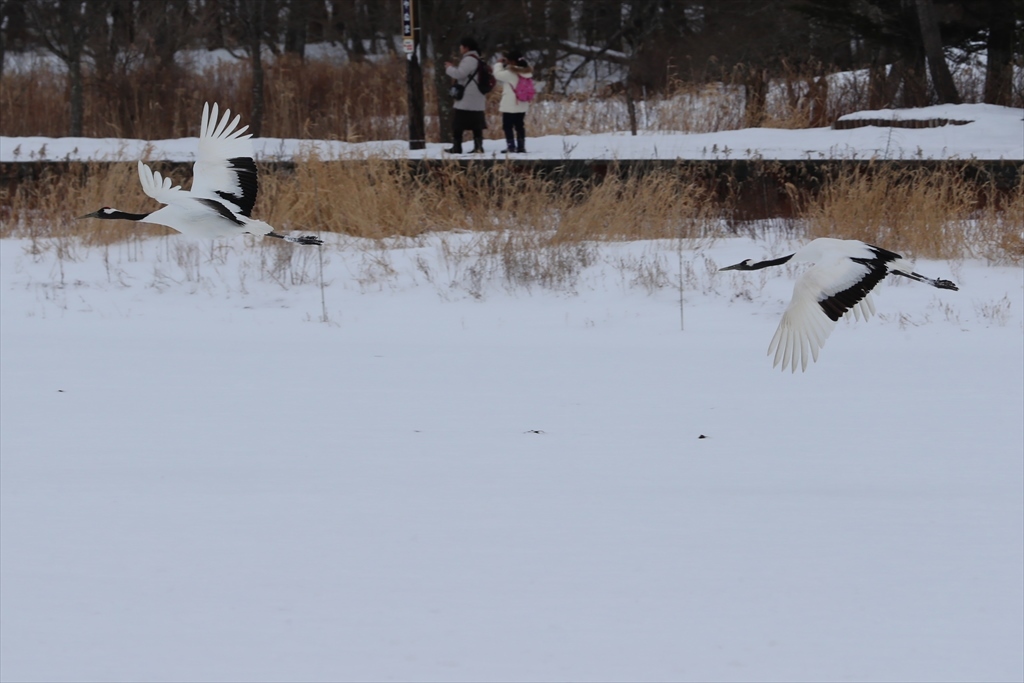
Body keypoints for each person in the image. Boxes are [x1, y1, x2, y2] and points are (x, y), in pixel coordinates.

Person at [444, 37, 488, 154]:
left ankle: (457, 147)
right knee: (476, 124)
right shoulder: (478, 58)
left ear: (466, 47)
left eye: (461, 46)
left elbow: (460, 74)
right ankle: (478, 146)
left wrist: (449, 68)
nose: (460, 48)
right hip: (477, 96)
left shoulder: (469, 59)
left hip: (468, 97)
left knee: (458, 123)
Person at [493, 50, 532, 153]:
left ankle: (511, 146)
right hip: (522, 103)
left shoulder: (511, 73)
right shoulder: (526, 72)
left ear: (513, 61)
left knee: (507, 126)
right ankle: (521, 146)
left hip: (510, 104)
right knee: (519, 126)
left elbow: (497, 74)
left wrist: (499, 64)